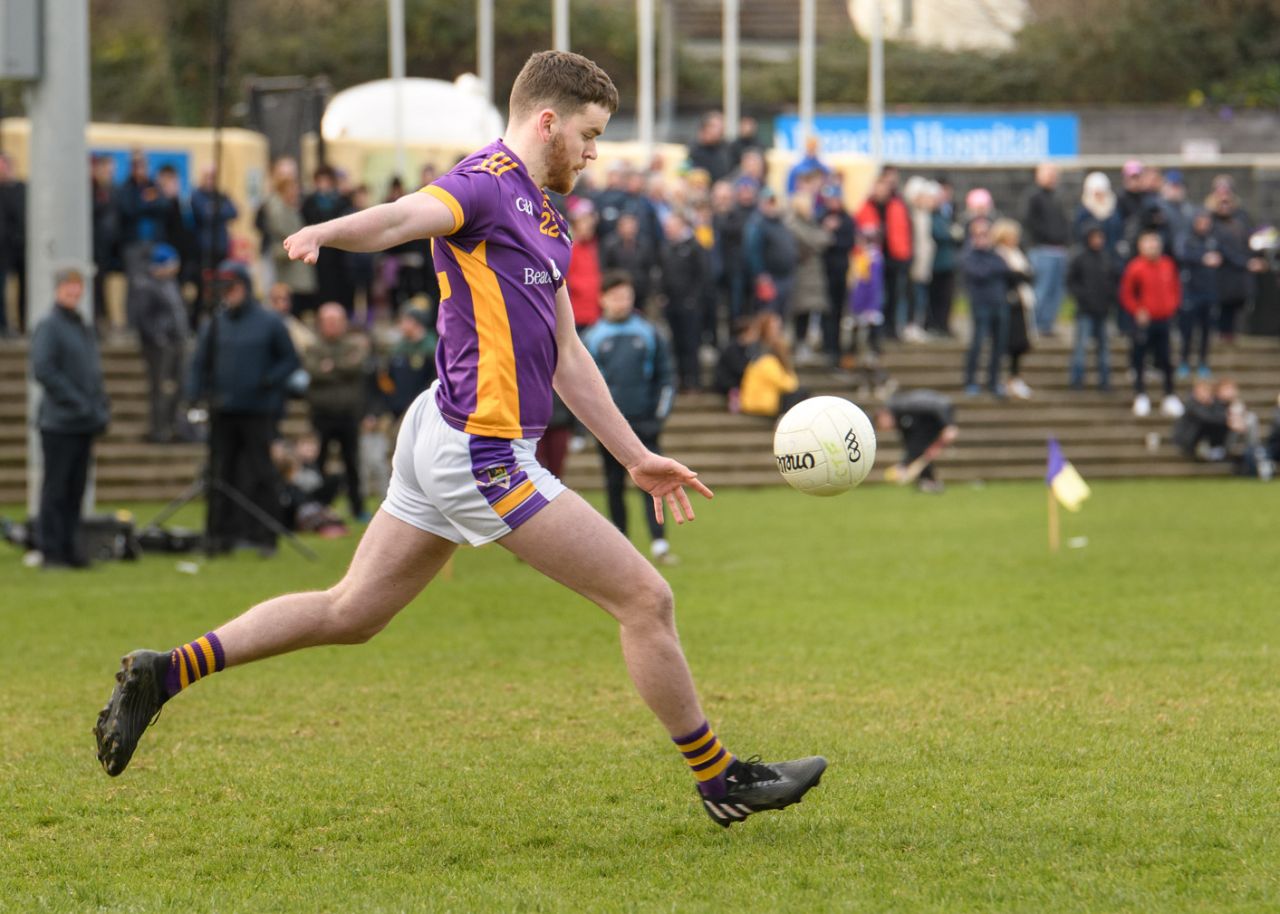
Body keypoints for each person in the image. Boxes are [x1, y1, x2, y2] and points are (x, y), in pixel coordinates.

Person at [93, 50, 825, 829]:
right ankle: (720, 778)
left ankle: (165, 672)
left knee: (352, 612)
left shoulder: (546, 215)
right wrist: (326, 231)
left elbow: (569, 357)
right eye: (588, 133)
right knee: (646, 598)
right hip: (478, 448)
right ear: (546, 122)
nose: (593, 152)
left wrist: (636, 455)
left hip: (444, 431)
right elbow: (406, 217)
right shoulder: (483, 183)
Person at [186, 260, 300, 554]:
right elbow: (200, 364)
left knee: (262, 472)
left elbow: (289, 360)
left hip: (258, 410)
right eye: (224, 288)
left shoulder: (269, 322)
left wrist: (268, 380)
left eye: (233, 287)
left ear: (245, 288)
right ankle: (218, 536)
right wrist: (195, 395)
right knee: (220, 473)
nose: (228, 293)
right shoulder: (215, 323)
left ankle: (264, 536)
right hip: (223, 410)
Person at [583, 271, 678, 565]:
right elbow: (583, 386)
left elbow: (666, 377)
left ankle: (659, 543)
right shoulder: (591, 338)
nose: (621, 302)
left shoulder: (649, 333)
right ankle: (622, 545)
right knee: (613, 485)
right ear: (602, 299)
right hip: (609, 428)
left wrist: (658, 418)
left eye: (626, 295)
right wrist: (592, 424)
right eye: (615, 296)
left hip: (645, 424)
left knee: (654, 484)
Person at [30, 268, 110, 568]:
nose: (74, 292)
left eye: (77, 287)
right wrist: (78, 404)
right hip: (59, 424)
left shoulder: (82, 326)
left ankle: (71, 549)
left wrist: (100, 407)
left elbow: (93, 374)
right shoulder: (50, 325)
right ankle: (51, 551)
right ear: (57, 289)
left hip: (83, 423)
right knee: (56, 489)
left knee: (76, 490)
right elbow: (44, 370)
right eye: (68, 286)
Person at [304, 302, 372, 521]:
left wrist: (331, 367)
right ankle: (316, 506)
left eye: (336, 321)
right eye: (328, 321)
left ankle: (357, 506)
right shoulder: (313, 347)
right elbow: (314, 371)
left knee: (352, 462)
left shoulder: (353, 344)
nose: (332, 326)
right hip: (321, 414)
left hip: (348, 414)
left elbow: (355, 367)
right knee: (318, 464)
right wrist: (339, 368)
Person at [1119, 231, 1183, 419]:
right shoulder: (1135, 267)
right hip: (1144, 321)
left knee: (1165, 358)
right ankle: (1140, 395)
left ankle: (1169, 395)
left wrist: (1172, 307)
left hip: (1164, 319)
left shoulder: (1167, 264)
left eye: (1155, 244)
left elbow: (1175, 288)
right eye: (1148, 244)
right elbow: (1127, 294)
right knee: (1139, 358)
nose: (1152, 248)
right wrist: (1137, 310)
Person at [134, 243, 191, 442]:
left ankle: (173, 425)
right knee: (159, 388)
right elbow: (143, 317)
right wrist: (159, 338)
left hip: (176, 342)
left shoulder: (170, 283)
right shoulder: (146, 285)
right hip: (159, 346)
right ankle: (158, 429)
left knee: (179, 386)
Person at [656, 211, 709, 391]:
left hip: (690, 305)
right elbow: (662, 275)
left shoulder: (694, 246)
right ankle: (680, 379)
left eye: (671, 227)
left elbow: (703, 276)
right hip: (672, 304)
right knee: (676, 344)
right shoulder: (666, 248)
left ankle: (693, 380)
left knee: (691, 343)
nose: (668, 230)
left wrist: (693, 299)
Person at [960, 218, 1010, 397]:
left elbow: (1005, 269)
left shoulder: (996, 255)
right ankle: (970, 380)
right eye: (978, 234)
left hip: (999, 304)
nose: (982, 238)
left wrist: (992, 268)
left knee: (999, 346)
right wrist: (993, 269)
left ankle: (994, 381)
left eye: (985, 234)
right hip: (981, 305)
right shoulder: (968, 255)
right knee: (977, 344)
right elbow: (979, 273)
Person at [875, 389, 958, 494]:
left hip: (941, 410)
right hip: (930, 423)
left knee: (922, 447)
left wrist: (948, 424)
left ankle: (929, 480)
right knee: (922, 449)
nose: (885, 429)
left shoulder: (904, 406)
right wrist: (904, 464)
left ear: (883, 415)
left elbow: (936, 406)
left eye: (881, 425)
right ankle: (928, 480)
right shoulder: (901, 420)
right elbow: (911, 445)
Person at [1066, 224, 1115, 391]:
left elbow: (1113, 281)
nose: (1098, 241)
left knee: (1104, 349)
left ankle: (1105, 380)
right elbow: (1071, 282)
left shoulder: (1106, 258)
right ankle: (1076, 380)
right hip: (1085, 310)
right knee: (1080, 347)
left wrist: (1109, 299)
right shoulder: (1080, 258)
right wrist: (1083, 297)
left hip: (1102, 310)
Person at [1023, 163, 1070, 336]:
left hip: (1059, 250)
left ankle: (1047, 325)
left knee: (1056, 291)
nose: (1052, 177)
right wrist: (1046, 236)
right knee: (1041, 290)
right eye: (1048, 173)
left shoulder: (1057, 197)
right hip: (1042, 250)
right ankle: (1035, 325)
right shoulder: (1033, 197)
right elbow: (1030, 222)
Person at [991, 219, 1036, 400]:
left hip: (1021, 303)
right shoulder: (998, 255)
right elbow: (1010, 276)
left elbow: (1028, 275)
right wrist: (1019, 275)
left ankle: (1015, 378)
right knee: (1007, 343)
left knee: (1020, 343)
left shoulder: (1017, 254)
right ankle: (1002, 379)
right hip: (1007, 303)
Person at [1177, 210, 1220, 380]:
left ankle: (1203, 362)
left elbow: (1225, 254)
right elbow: (1181, 254)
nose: (1203, 224)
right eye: (1200, 221)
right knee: (1187, 332)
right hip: (1191, 293)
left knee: (1206, 332)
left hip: (1209, 293)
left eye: (1206, 221)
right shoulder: (1188, 238)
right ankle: (1184, 362)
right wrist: (1203, 258)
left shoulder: (1212, 240)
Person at [739, 311, 802, 418]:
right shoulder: (763, 355)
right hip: (761, 399)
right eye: (775, 327)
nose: (778, 330)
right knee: (797, 393)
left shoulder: (778, 348)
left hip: (771, 391)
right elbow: (786, 383)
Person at [744, 188, 798, 316]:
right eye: (767, 202)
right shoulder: (757, 224)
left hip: (785, 276)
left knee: (781, 315)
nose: (771, 206)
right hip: (770, 278)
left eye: (773, 202)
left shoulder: (780, 223)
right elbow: (753, 252)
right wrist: (761, 274)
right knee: (768, 316)